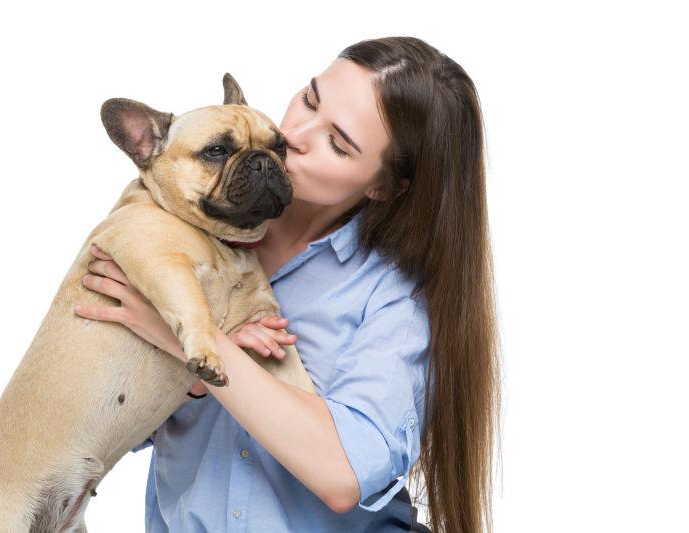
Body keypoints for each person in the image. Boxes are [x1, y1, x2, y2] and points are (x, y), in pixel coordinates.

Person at [74, 36, 500, 533]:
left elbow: (342, 473)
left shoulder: (394, 298)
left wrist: (190, 337)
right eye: (309, 99)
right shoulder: (184, 229)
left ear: (384, 185)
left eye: (337, 143)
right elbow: (112, 425)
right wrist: (186, 382)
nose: (295, 133)